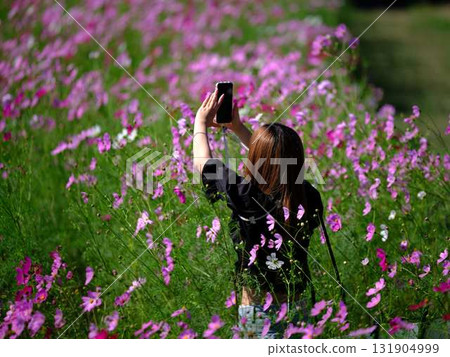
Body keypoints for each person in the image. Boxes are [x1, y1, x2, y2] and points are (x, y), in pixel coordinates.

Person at [193, 88, 324, 338]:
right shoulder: (308, 196)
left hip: (258, 312)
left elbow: (203, 165)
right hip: (298, 309)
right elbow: (274, 165)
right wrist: (238, 128)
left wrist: (200, 123)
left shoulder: (246, 197)